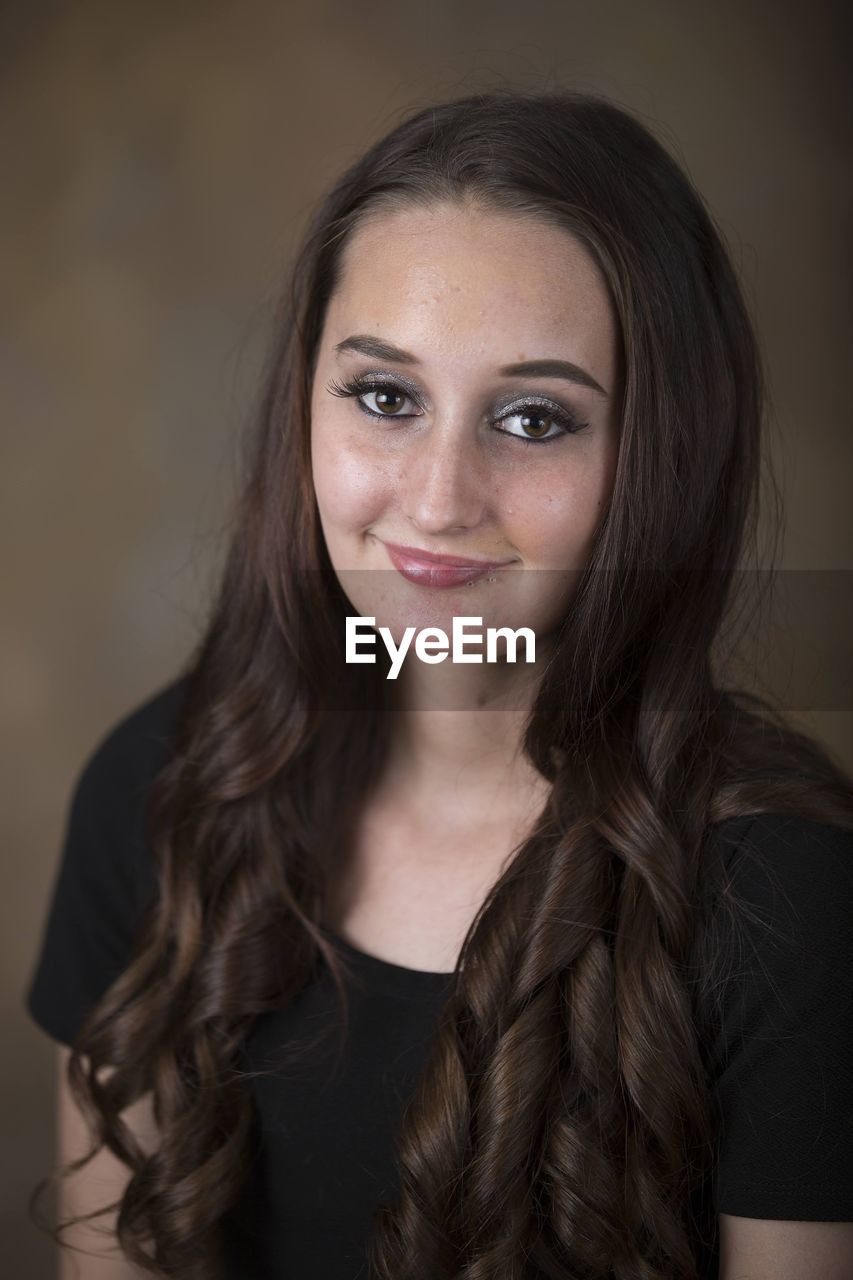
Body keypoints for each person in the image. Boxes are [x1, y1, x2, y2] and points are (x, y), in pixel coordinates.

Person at [25, 88, 853, 1280]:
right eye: (384, 396)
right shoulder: (160, 791)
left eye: (532, 417)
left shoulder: (790, 901)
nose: (435, 498)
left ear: (661, 460)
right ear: (301, 407)